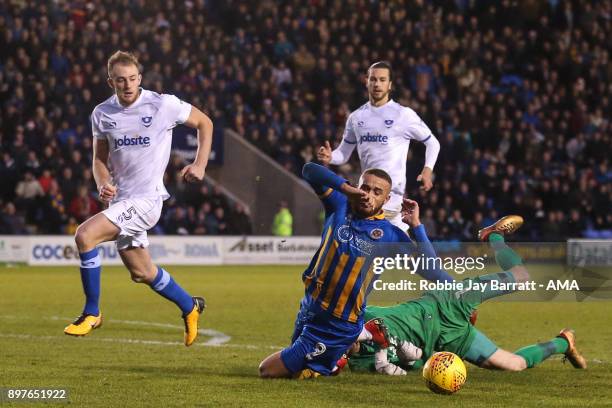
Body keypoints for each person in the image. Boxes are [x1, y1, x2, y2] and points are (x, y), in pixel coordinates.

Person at [63, 51, 214, 347]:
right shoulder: (102, 114)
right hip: (121, 202)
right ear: (111, 82)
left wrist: (200, 164)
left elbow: (205, 123)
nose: (128, 84)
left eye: (132, 78)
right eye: (121, 80)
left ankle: (92, 312)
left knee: (85, 236)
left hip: (147, 201)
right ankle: (190, 306)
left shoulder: (162, 104)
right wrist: (103, 182)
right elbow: (98, 160)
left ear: (140, 78)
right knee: (142, 272)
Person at [258, 162, 453, 379]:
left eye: (377, 192)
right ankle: (345, 353)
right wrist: (347, 189)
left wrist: (416, 226)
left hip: (336, 325)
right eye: (365, 188)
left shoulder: (390, 236)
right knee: (301, 367)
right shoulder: (339, 204)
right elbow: (308, 170)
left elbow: (433, 271)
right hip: (309, 308)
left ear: (386, 200)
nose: (368, 195)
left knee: (267, 370)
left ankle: (351, 346)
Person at [347, 216, 587, 374]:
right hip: (447, 340)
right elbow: (413, 363)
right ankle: (564, 342)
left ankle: (494, 236)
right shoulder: (361, 365)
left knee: (521, 277)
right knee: (514, 365)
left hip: (446, 304)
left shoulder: (361, 317)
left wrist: (417, 226)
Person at [317, 61, 440, 232]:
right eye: (373, 79)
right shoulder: (356, 117)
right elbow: (343, 154)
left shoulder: (403, 114)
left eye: (382, 80)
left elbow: (433, 143)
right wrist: (331, 157)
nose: (377, 84)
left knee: (394, 256)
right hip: (366, 200)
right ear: (366, 81)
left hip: (394, 203)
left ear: (390, 85)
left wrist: (427, 170)